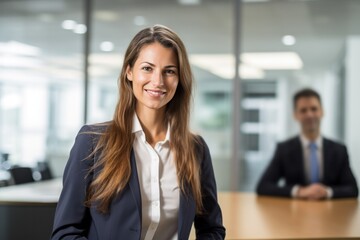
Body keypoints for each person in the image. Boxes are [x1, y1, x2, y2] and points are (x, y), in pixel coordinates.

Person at [51, 25, 225, 240]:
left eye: (169, 71)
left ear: (179, 79)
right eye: (147, 68)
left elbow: (212, 229)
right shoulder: (92, 142)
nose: (158, 81)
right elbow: (66, 232)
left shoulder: (195, 149)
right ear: (129, 71)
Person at [256, 88, 358, 200]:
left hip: (330, 212)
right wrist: (299, 191)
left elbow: (352, 189)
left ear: (322, 111)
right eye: (303, 110)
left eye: (314, 109)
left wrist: (327, 192)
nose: (309, 115)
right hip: (294, 213)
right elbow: (263, 186)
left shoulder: (339, 150)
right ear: (295, 115)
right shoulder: (284, 150)